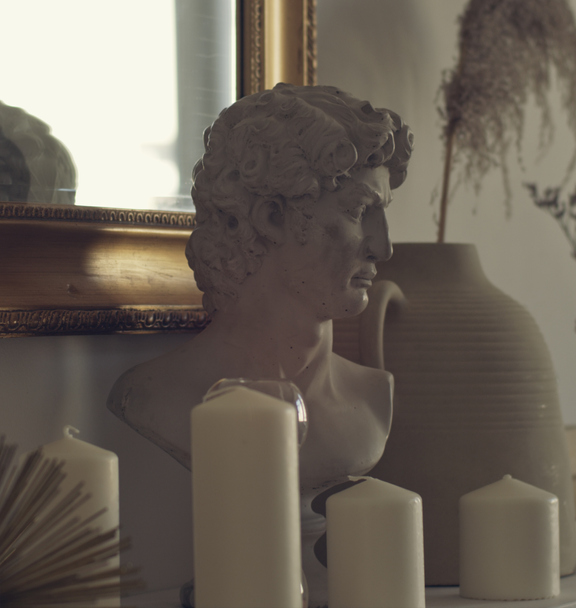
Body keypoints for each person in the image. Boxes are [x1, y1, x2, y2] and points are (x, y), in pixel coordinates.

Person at [107, 81, 413, 496]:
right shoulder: (154, 399)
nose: (384, 247)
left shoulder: (372, 399)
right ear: (272, 217)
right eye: (359, 211)